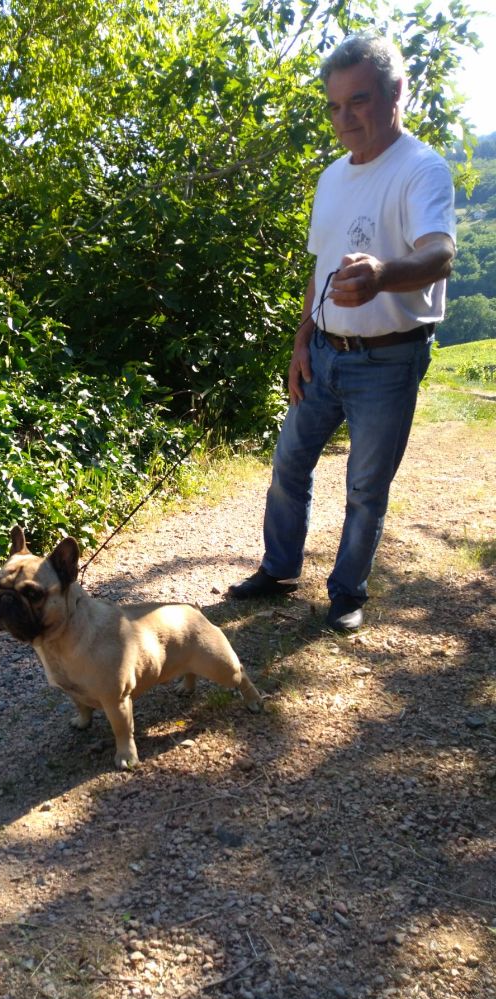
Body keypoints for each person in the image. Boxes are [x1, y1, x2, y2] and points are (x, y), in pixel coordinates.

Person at [228, 33, 456, 632]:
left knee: (364, 488)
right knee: (288, 465)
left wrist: (383, 275)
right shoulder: (331, 177)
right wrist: (302, 342)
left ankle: (347, 592)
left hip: (389, 360)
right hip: (325, 355)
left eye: (357, 101)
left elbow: (439, 255)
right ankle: (279, 569)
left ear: (395, 92)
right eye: (334, 106)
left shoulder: (421, 170)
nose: (344, 117)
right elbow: (319, 267)